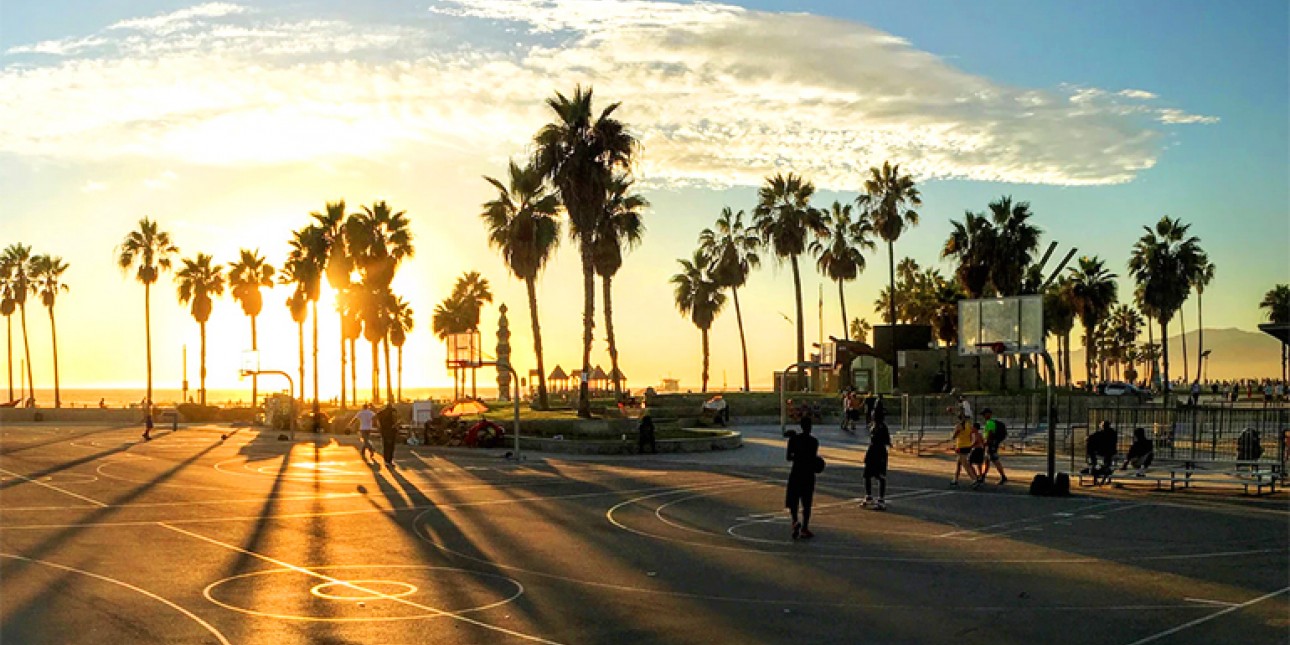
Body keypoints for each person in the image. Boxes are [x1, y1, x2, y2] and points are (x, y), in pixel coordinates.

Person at [785, 416, 819, 539]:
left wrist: (797, 457)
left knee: (793, 500)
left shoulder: (793, 440)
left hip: (796, 472)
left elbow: (788, 457)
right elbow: (814, 458)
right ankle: (804, 528)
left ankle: (795, 521)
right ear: (810, 427)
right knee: (807, 502)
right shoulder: (814, 441)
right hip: (808, 473)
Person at [861, 418, 891, 509]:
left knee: (881, 476)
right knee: (867, 475)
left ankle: (881, 500)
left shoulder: (882, 427)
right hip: (872, 451)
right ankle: (869, 496)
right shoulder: (873, 425)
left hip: (879, 452)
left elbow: (887, 440)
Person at [980, 408, 1008, 485]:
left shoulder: (990, 423)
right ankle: (983, 476)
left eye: (985, 414)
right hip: (991, 444)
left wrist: (987, 442)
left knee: (995, 460)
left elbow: (990, 433)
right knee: (987, 460)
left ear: (989, 414)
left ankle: (1003, 476)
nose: (984, 416)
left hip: (991, 444)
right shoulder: (988, 422)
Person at [950, 414, 978, 486]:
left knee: (965, 464)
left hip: (961, 446)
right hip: (967, 446)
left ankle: (974, 479)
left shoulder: (959, 426)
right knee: (958, 463)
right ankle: (955, 479)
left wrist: (952, 436)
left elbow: (954, 436)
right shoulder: (968, 425)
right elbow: (971, 434)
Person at [377, 403, 399, 467]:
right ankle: (390, 461)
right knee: (391, 447)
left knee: (385, 446)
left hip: (384, 432)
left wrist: (380, 429)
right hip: (391, 431)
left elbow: (378, 422)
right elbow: (395, 421)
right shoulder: (393, 411)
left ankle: (386, 461)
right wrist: (397, 425)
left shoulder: (380, 413)